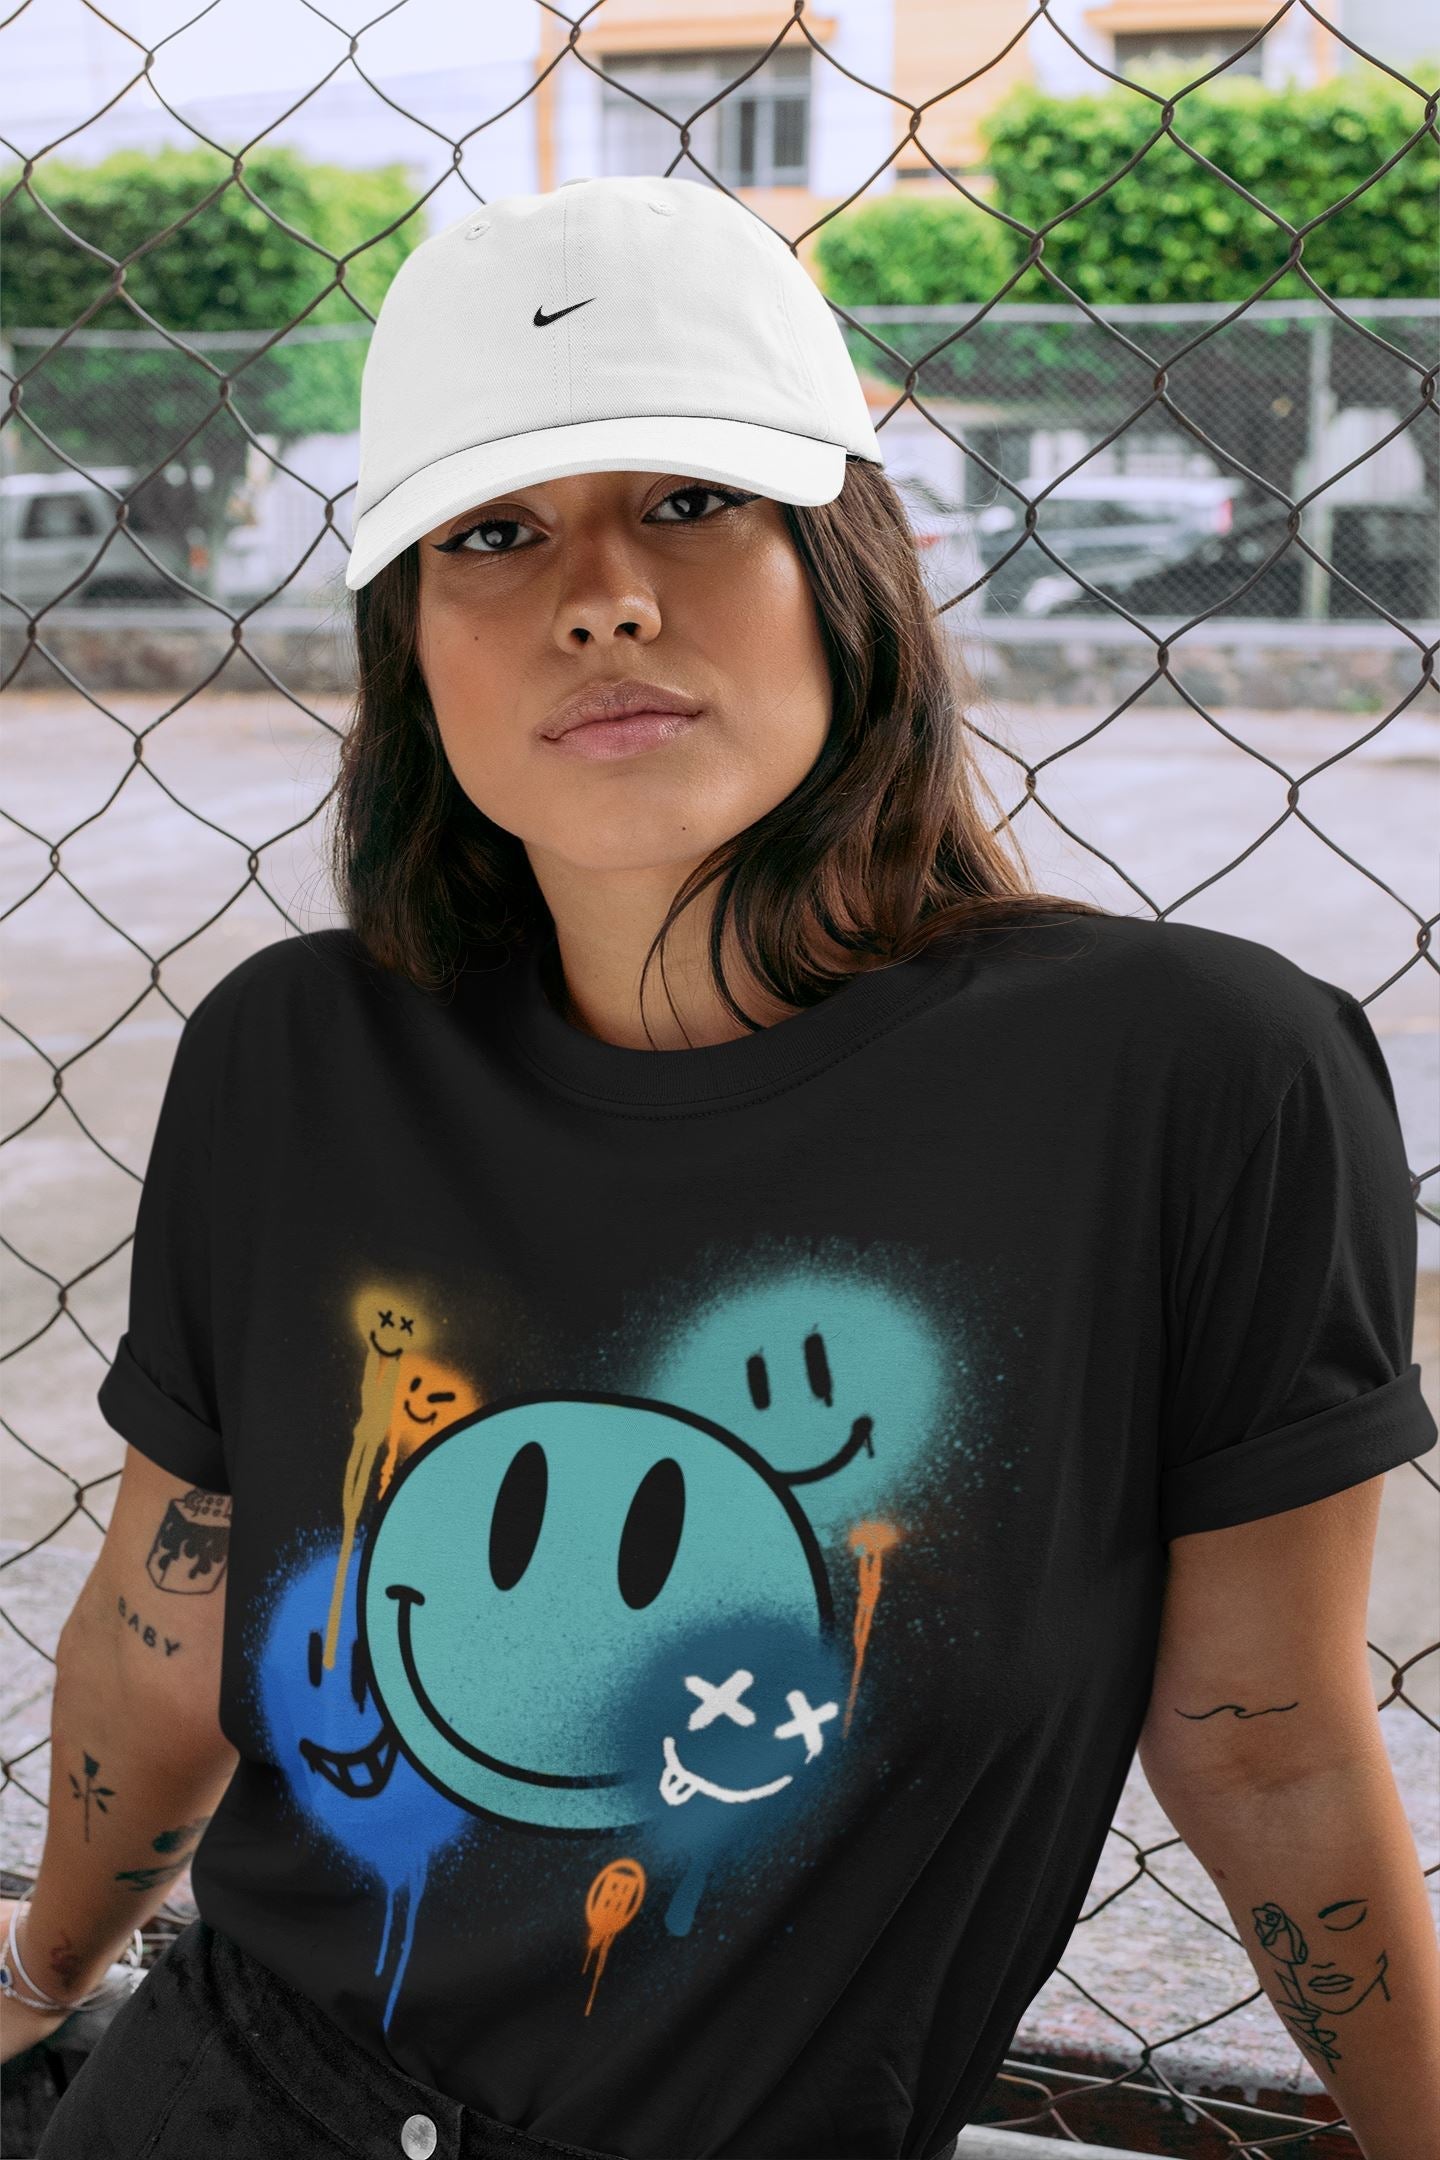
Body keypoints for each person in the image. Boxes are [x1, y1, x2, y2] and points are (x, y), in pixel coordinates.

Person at [8, 174, 1438, 2160]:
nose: (600, 595)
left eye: (689, 499)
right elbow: (161, 1634)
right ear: (410, 640)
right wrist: (35, 1986)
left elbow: (1266, 1744)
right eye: (493, 531)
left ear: (848, 563)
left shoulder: (1196, 1080)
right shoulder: (294, 1054)